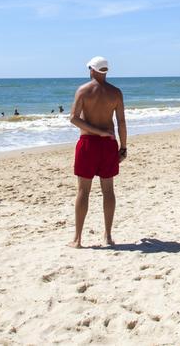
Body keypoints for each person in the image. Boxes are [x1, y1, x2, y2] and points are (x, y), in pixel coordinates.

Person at [69, 56, 127, 248]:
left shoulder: (84, 90)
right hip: (109, 144)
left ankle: (77, 239)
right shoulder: (115, 92)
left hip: (88, 143)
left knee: (83, 191)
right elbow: (121, 122)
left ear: (92, 70)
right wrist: (123, 147)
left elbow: (74, 119)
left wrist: (98, 132)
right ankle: (108, 237)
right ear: (106, 71)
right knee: (108, 190)